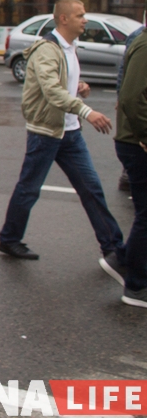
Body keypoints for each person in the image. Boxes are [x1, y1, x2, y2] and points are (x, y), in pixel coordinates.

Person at [0, 0, 126, 262]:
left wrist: (79, 86)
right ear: (64, 19)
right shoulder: (47, 49)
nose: (85, 19)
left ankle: (113, 248)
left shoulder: (70, 47)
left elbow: (61, 85)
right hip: (45, 131)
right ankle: (9, 240)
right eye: (80, 15)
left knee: (92, 189)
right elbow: (51, 90)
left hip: (70, 132)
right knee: (29, 189)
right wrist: (87, 111)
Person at [114, 27, 147, 307]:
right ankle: (136, 287)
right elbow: (131, 97)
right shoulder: (145, 45)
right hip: (137, 144)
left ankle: (123, 258)